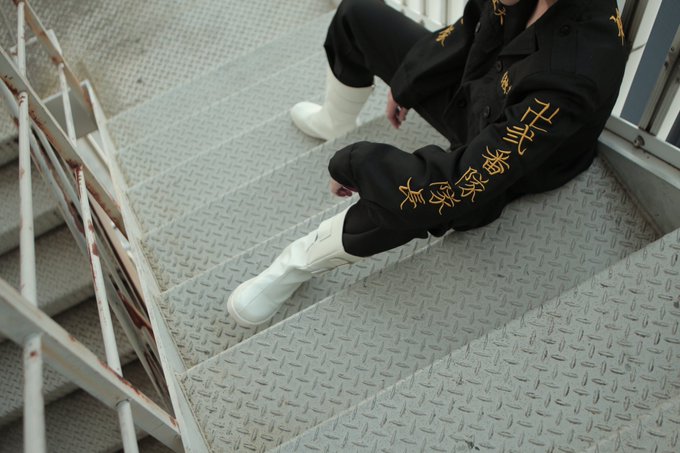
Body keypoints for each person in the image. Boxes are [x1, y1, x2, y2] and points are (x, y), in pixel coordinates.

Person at [227, 0, 629, 327]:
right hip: (478, 95)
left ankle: (297, 262)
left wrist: (354, 162)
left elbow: (458, 186)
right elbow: (470, 30)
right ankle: (335, 118)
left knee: (421, 195)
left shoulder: (574, 70)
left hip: (517, 159)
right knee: (357, 15)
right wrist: (411, 77)